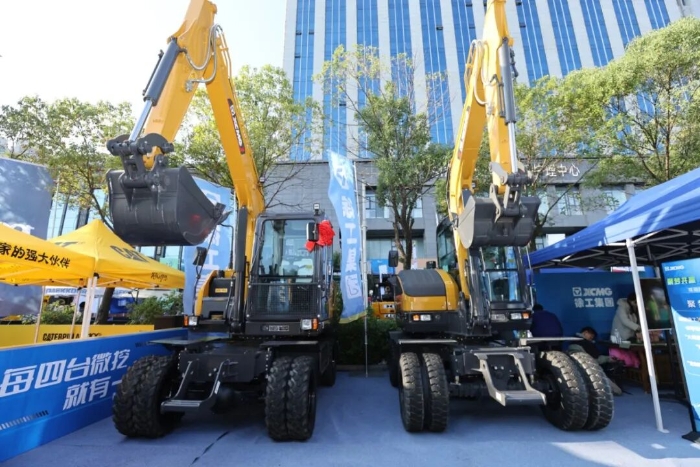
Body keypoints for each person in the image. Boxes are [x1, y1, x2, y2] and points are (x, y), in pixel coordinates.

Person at [569, 326, 623, 396]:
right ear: (585, 332)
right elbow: (596, 360)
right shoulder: (587, 344)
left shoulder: (572, 341)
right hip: (591, 369)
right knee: (618, 391)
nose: (592, 338)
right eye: (591, 335)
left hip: (575, 370)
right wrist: (609, 359)